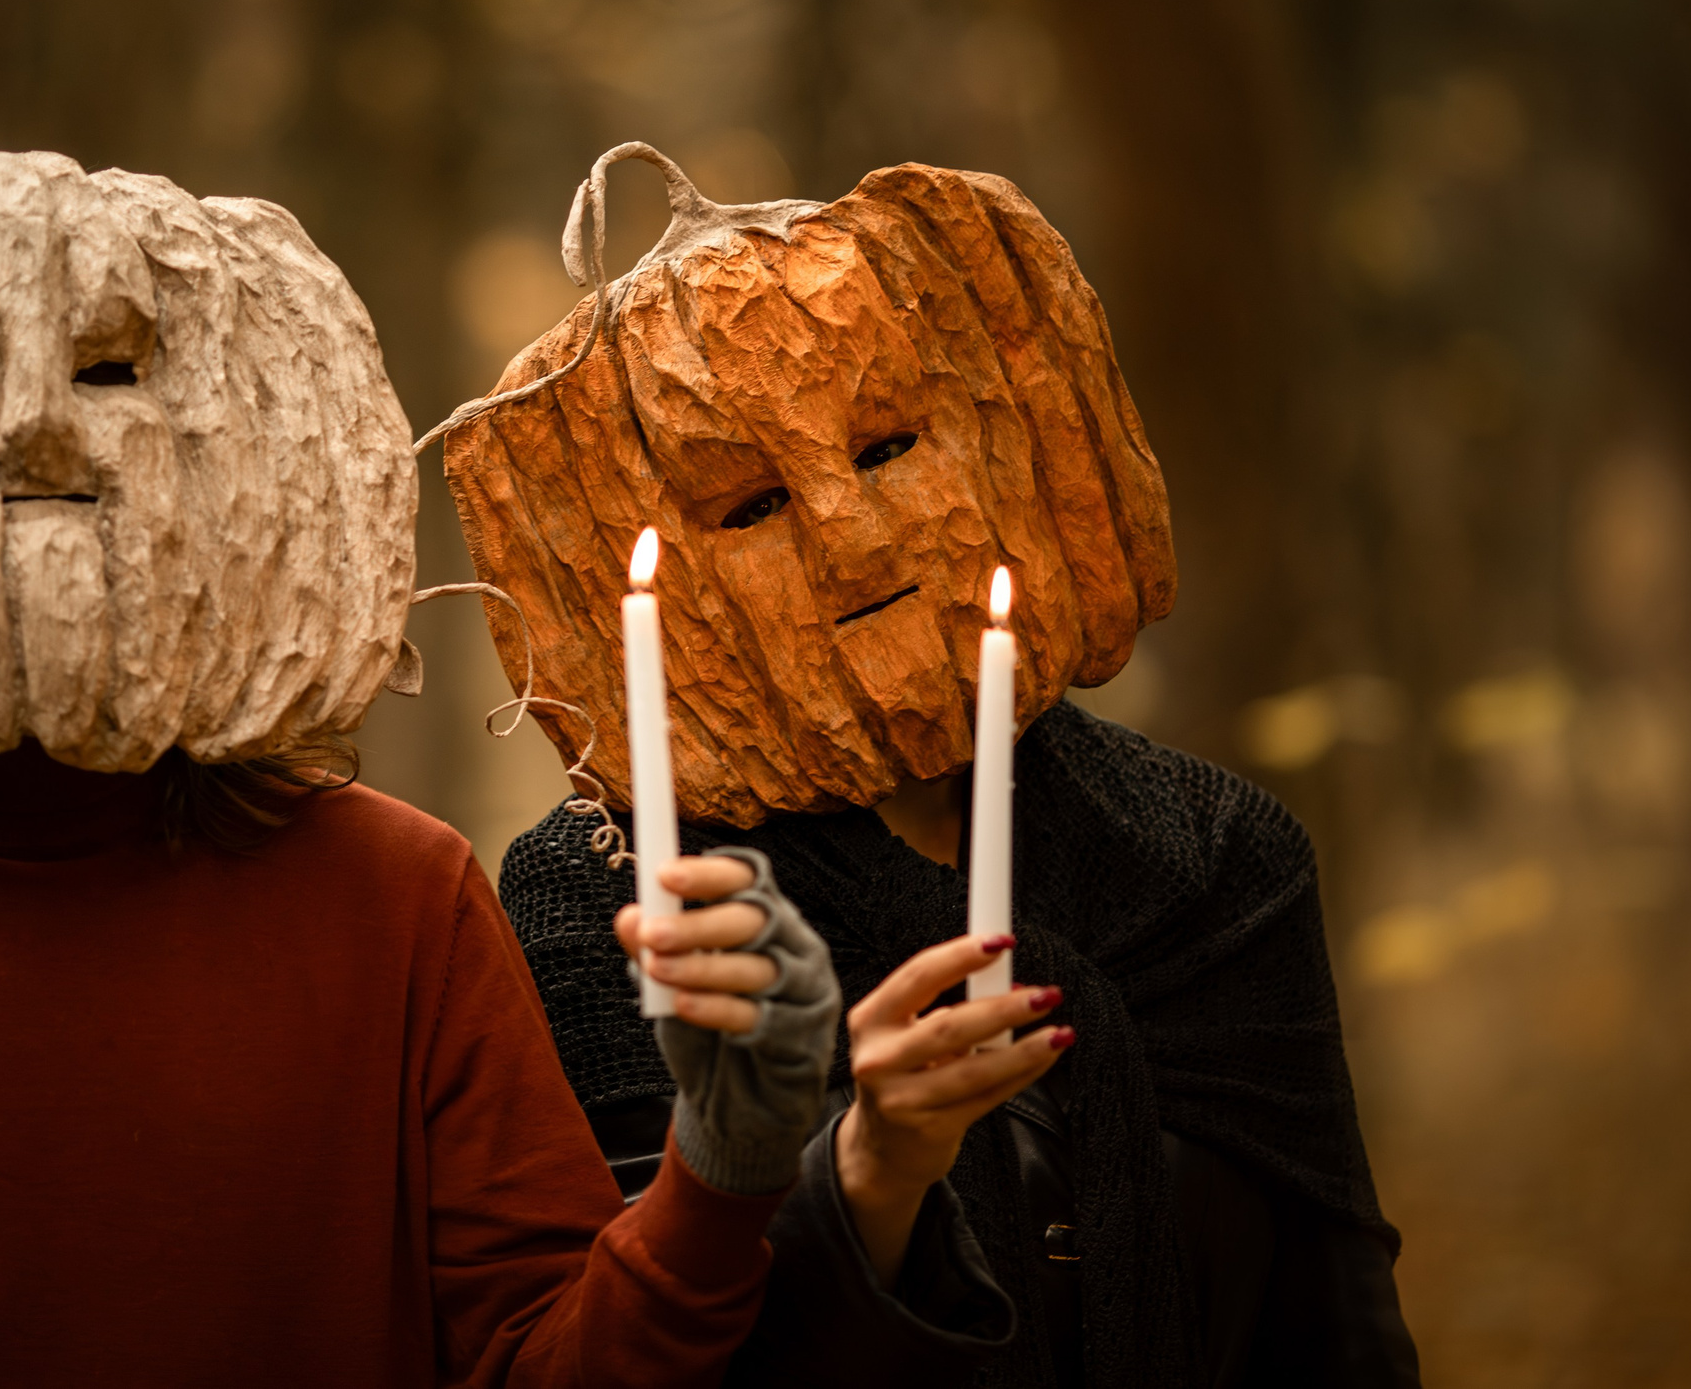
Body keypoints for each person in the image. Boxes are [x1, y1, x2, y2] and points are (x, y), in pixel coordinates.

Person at [0, 149, 843, 1389]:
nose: (35, 430)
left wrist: (720, 1172)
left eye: (113, 373)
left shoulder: (397, 907)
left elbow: (539, 1362)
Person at [441, 146, 1423, 1387]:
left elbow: (1334, 1335)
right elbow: (625, 1355)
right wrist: (863, 1173)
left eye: (887, 446)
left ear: (1006, 430)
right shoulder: (612, 910)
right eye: (749, 508)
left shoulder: (1215, 857)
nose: (851, 542)